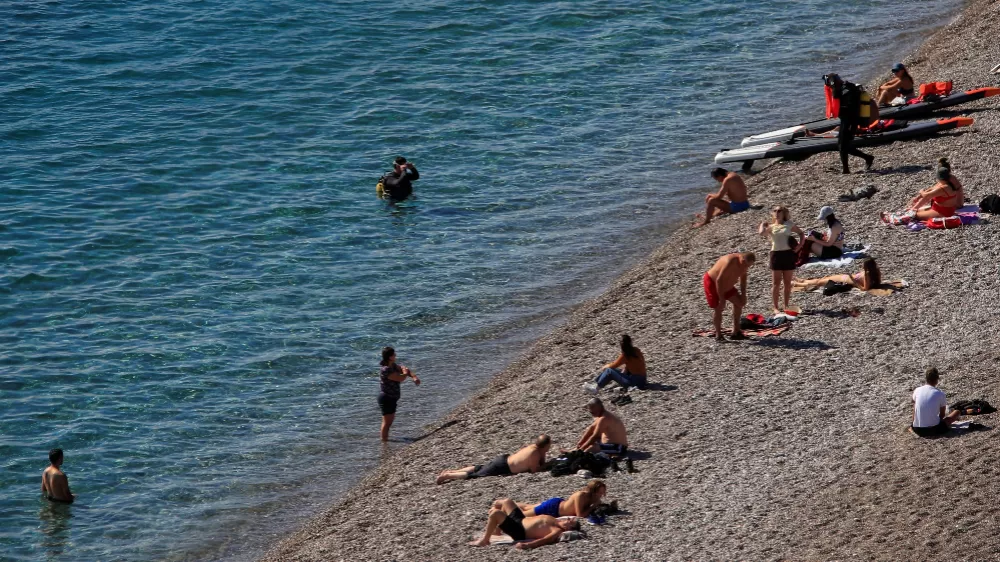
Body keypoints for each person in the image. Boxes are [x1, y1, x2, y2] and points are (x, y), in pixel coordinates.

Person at [436, 435, 551, 484]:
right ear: (545, 446)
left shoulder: (532, 447)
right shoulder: (534, 453)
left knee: (479, 467)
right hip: (503, 467)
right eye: (549, 445)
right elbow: (534, 470)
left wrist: (544, 455)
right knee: (476, 475)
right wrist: (547, 465)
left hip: (503, 460)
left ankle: (451, 472)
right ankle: (447, 476)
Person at [469, 498, 580, 549]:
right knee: (507, 501)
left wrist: (528, 545)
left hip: (519, 530)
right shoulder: (556, 521)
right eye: (569, 519)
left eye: (570, 522)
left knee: (495, 513)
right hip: (520, 519)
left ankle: (485, 540)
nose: (567, 520)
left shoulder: (556, 530)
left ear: (569, 529)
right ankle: (497, 530)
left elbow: (545, 540)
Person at [881, 158, 964, 224]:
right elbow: (931, 190)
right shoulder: (946, 182)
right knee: (913, 210)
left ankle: (890, 220)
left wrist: (921, 192)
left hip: (943, 212)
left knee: (914, 215)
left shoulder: (944, 188)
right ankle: (892, 215)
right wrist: (918, 198)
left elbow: (927, 196)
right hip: (939, 208)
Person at [757, 206, 805, 316]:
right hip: (776, 255)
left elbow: (801, 233)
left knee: (787, 283)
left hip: (788, 254)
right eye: (775, 211)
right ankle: (775, 307)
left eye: (779, 211)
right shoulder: (771, 227)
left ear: (784, 213)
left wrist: (799, 246)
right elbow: (761, 233)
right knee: (776, 283)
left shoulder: (789, 224)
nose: (777, 213)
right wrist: (762, 224)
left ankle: (786, 305)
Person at [827, 74, 876, 174]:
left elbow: (846, 104)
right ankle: (865, 159)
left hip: (850, 121)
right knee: (844, 145)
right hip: (847, 121)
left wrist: (832, 85)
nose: (830, 86)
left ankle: (848, 169)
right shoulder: (844, 87)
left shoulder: (847, 89)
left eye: (830, 83)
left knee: (842, 145)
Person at [703, 252, 755, 341]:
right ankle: (718, 335)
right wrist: (722, 299)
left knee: (740, 303)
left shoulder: (744, 266)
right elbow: (719, 280)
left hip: (728, 285)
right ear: (742, 260)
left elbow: (743, 281)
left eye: (749, 266)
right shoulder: (730, 261)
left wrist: (743, 295)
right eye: (746, 265)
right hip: (713, 282)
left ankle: (736, 331)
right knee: (719, 308)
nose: (746, 268)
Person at [378, 346, 420, 442]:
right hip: (386, 398)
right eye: (394, 354)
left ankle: (385, 440)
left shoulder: (393, 366)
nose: (396, 355)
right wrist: (404, 373)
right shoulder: (385, 369)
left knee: (389, 421)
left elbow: (406, 370)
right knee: (387, 422)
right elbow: (399, 378)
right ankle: (384, 442)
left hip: (392, 398)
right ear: (389, 357)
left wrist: (414, 377)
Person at [517, 479, 607, 518]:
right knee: (523, 515)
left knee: (528, 507)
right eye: (600, 492)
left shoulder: (593, 497)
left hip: (559, 503)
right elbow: (580, 515)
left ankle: (510, 504)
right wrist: (593, 506)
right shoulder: (581, 496)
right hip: (553, 508)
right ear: (593, 491)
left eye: (602, 492)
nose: (601, 495)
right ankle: (507, 507)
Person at [911, 367, 961, 437]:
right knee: (957, 412)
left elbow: (914, 407)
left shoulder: (917, 390)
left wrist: (914, 423)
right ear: (937, 380)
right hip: (934, 429)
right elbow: (942, 415)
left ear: (926, 379)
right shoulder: (940, 394)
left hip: (917, 429)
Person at [792, 257, 881, 292]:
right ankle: (802, 281)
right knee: (823, 279)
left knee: (820, 282)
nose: (862, 266)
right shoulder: (876, 271)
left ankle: (798, 283)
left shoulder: (867, 274)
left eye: (863, 266)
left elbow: (864, 289)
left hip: (846, 279)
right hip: (847, 278)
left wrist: (854, 281)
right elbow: (879, 282)